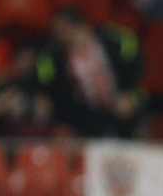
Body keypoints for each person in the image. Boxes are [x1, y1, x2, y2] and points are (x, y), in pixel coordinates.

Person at [29, 8, 145, 138]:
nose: (56, 34)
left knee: (134, 108)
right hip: (85, 119)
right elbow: (40, 80)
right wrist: (41, 96)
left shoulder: (108, 36)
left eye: (59, 29)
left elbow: (135, 58)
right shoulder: (53, 55)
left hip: (122, 104)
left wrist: (127, 91)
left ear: (74, 25)